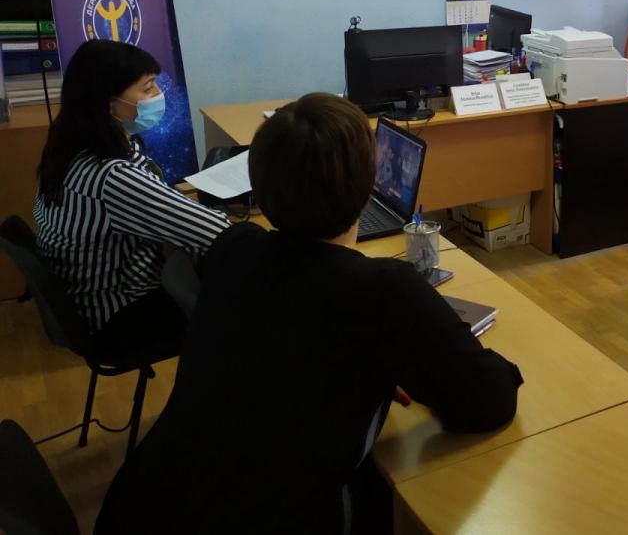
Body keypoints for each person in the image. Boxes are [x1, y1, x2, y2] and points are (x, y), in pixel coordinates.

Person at [96, 93, 523, 535]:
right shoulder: (383, 289)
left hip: (142, 505)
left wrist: (376, 363)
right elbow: (488, 401)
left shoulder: (234, 249)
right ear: (367, 184)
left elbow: (291, 336)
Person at [33, 40, 228, 350]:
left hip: (88, 296)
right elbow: (217, 233)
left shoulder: (71, 145)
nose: (159, 95)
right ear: (109, 103)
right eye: (148, 88)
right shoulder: (111, 175)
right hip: (118, 313)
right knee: (243, 291)